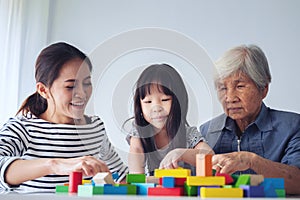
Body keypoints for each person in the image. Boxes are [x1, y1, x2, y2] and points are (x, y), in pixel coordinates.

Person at [0, 42, 128, 193]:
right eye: (70, 86)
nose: (82, 93)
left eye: (87, 83)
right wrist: (54, 165)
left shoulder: (95, 127)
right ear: (43, 90)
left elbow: (121, 178)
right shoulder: (22, 128)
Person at [199, 44, 300, 195]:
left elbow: (297, 182)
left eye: (239, 86)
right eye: (223, 88)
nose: (230, 98)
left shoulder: (292, 126)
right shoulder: (207, 131)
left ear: (263, 88)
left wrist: (251, 160)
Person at [125, 63, 213, 175]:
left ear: (179, 102)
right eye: (148, 102)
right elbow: (136, 152)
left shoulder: (188, 134)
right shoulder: (139, 132)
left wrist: (181, 154)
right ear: (140, 106)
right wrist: (136, 179)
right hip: (152, 190)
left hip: (183, 191)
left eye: (165, 100)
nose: (156, 108)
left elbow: (210, 156)